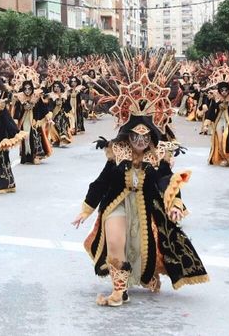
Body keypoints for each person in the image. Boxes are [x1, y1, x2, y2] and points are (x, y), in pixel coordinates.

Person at [71, 113, 208, 306]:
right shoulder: (117, 153)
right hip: (117, 203)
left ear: (151, 136)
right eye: (136, 136)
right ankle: (119, 291)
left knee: (142, 246)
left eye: (145, 137)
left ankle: (146, 274)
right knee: (114, 241)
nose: (141, 141)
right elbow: (101, 183)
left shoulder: (158, 156)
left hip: (144, 207)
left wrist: (174, 204)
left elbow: (166, 181)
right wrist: (86, 210)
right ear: (128, 136)